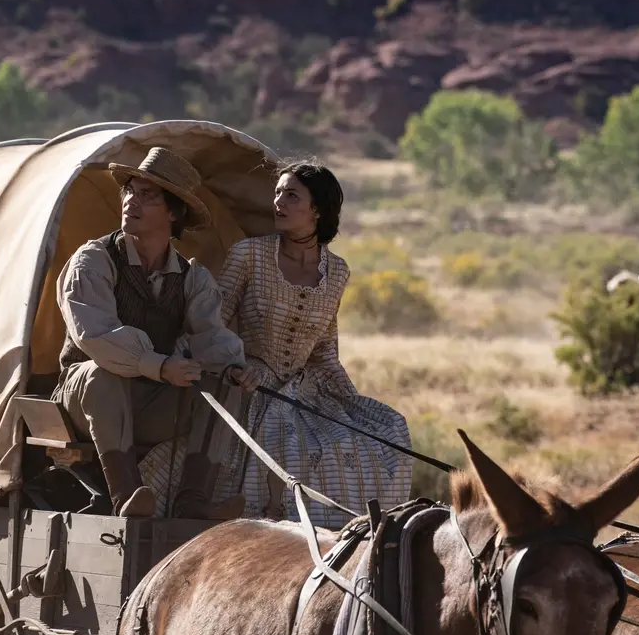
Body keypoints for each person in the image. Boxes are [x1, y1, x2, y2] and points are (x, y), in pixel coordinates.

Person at [208, 160, 413, 528]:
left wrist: (350, 401)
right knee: (283, 441)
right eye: (277, 193)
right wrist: (234, 365)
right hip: (247, 385)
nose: (278, 202)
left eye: (291, 195)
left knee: (384, 431)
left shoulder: (337, 272)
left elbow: (324, 352)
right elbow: (212, 325)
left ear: (317, 210)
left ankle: (355, 538)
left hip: (306, 391)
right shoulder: (249, 255)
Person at [54, 147, 247, 519]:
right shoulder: (93, 260)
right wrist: (160, 366)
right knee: (100, 374)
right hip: (86, 400)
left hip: (149, 401)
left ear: (173, 213)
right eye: (129, 191)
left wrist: (234, 367)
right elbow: (96, 335)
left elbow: (212, 336)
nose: (130, 201)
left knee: (225, 384)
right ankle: (126, 499)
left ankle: (193, 503)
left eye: (147, 196)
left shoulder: (192, 277)